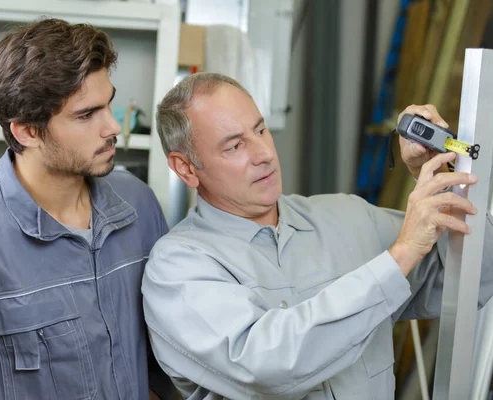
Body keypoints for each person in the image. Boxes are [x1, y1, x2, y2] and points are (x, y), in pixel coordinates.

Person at [142, 72, 493, 399]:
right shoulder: (178, 268)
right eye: (234, 146)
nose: (264, 154)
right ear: (185, 168)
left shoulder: (349, 217)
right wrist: (399, 256)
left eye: (260, 130)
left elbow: (479, 274)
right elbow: (271, 365)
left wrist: (437, 184)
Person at [0, 18, 174, 399]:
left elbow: (162, 339)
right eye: (86, 114)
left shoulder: (139, 206)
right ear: (27, 131)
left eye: (109, 103)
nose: (112, 126)